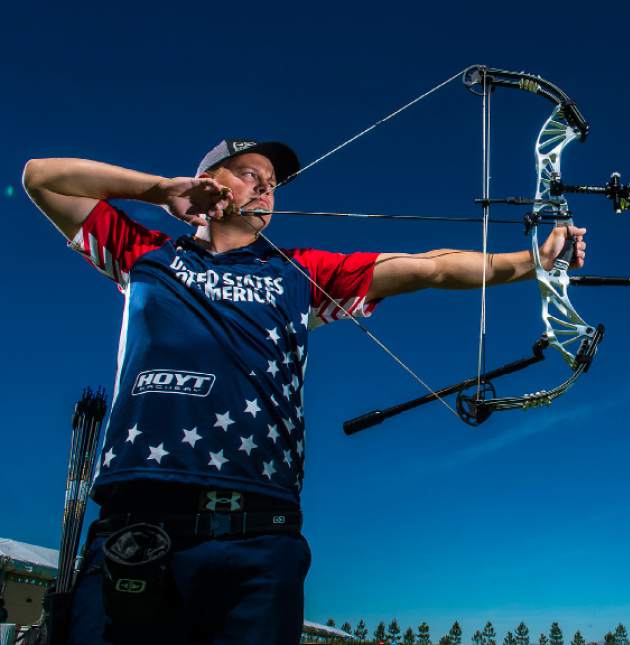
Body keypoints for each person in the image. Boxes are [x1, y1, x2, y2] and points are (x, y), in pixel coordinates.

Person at [22, 139, 586, 645]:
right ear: (208, 180)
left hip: (259, 534)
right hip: (139, 526)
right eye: (248, 173)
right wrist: (160, 190)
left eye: (273, 182)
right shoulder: (145, 256)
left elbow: (430, 268)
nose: (266, 187)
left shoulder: (300, 274)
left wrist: (532, 261)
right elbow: (41, 177)